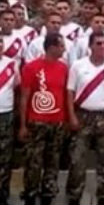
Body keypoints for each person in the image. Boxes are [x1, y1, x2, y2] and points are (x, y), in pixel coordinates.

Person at [66, 32, 104, 205]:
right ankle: (74, 197)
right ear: (90, 46)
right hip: (82, 115)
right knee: (77, 160)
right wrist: (72, 116)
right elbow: (70, 92)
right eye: (98, 43)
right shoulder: (77, 66)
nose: (102, 46)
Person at [19, 33, 69, 205]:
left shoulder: (64, 68)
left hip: (57, 122)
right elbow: (25, 97)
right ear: (52, 47)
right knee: (33, 161)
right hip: (36, 121)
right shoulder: (31, 68)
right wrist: (23, 125)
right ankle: (30, 193)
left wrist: (67, 120)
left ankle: (48, 193)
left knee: (53, 160)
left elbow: (65, 94)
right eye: (61, 46)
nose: (64, 49)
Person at [0, 37, 19, 205]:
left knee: (5, 156)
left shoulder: (12, 64)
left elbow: (16, 86)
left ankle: (3, 192)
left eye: (1, 43)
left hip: (6, 113)